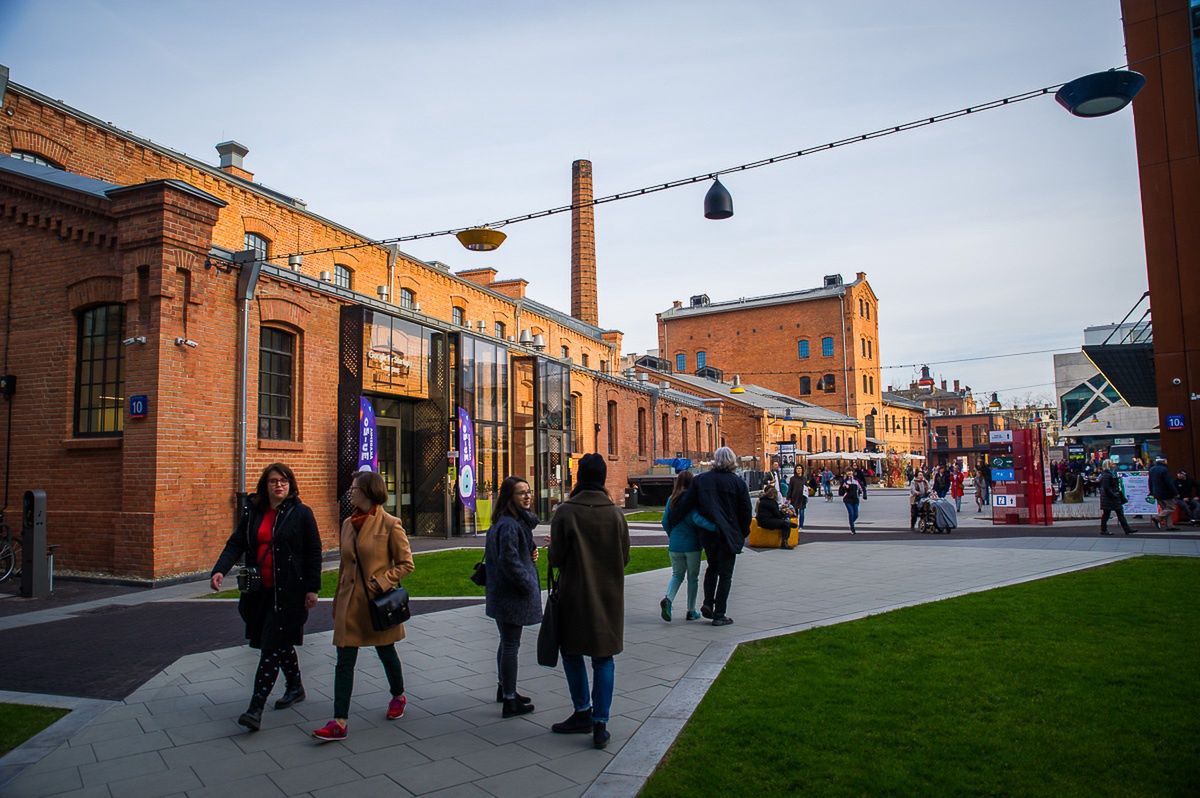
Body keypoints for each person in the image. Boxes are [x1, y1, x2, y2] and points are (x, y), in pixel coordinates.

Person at [210, 463, 321, 732]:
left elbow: (313, 552)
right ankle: (295, 686)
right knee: (277, 641)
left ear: (291, 485)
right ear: (265, 485)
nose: (278, 485)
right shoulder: (254, 513)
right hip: (259, 592)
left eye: (283, 481)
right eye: (273, 481)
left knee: (271, 646)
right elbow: (236, 543)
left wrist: (312, 588)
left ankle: (255, 708)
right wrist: (220, 570)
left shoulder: (301, 514)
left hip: (289, 592)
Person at [312, 470, 414, 741]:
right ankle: (339, 721)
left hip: (376, 605)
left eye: (355, 488)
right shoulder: (347, 523)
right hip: (349, 603)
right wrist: (337, 599)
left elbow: (406, 564)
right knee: (344, 660)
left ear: (369, 492)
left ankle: (398, 695)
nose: (351, 492)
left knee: (386, 652)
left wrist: (381, 581)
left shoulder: (390, 524)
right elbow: (345, 565)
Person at [549, 454, 631, 750]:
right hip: (609, 595)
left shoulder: (566, 512)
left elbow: (556, 558)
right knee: (604, 657)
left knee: (571, 653)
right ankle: (601, 722)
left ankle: (582, 710)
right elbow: (624, 558)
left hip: (575, 593)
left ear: (580, 476)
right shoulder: (615, 514)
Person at [668, 446, 753, 627]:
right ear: (732, 461)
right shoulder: (737, 483)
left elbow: (687, 504)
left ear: (715, 460)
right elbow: (746, 511)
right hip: (728, 533)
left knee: (712, 567)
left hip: (709, 534)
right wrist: (743, 532)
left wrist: (674, 520)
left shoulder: (701, 480)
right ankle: (719, 613)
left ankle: (708, 602)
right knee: (726, 574)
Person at [484, 475, 542, 717]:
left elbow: (516, 553)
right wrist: (528, 584)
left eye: (528, 491)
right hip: (511, 593)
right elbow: (509, 561)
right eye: (521, 493)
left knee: (506, 641)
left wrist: (529, 554)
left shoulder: (513, 522)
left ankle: (504, 688)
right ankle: (510, 699)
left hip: (503, 592)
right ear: (510, 498)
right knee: (511, 645)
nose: (527, 496)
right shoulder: (509, 524)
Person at [660, 471, 703, 622]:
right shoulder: (692, 500)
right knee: (693, 578)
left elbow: (664, 521)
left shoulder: (671, 499)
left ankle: (668, 599)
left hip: (675, 545)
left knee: (677, 575)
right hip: (692, 545)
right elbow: (697, 520)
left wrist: (672, 535)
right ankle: (691, 610)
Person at [1098, 460, 1136, 535]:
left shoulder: (1108, 474)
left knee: (1111, 513)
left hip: (1109, 497)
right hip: (1110, 497)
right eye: (1112, 464)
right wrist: (1114, 495)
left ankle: (1105, 529)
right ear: (1108, 465)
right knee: (1113, 513)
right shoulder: (1107, 475)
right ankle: (1125, 529)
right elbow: (1106, 488)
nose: (1114, 465)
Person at [755, 483, 795, 549]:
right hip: (768, 522)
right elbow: (778, 515)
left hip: (761, 521)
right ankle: (784, 543)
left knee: (783, 523)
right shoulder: (772, 503)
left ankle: (788, 524)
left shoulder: (762, 501)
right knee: (785, 524)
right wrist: (784, 512)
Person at [1148, 456, 1180, 530]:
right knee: (1171, 507)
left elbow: (1150, 482)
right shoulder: (1164, 470)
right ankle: (1157, 518)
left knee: (1165, 509)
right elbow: (1169, 483)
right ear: (1163, 461)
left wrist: (1151, 492)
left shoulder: (1152, 469)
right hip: (1166, 493)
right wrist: (1175, 492)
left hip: (1156, 492)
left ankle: (1169, 526)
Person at [786, 464, 808, 529]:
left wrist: (807, 497)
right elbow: (790, 489)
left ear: (802, 470)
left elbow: (806, 488)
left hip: (802, 498)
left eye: (800, 468)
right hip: (794, 497)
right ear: (795, 470)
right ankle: (795, 525)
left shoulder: (804, 479)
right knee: (795, 513)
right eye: (797, 468)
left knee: (802, 512)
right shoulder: (792, 479)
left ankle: (801, 525)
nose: (798, 470)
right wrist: (788, 498)